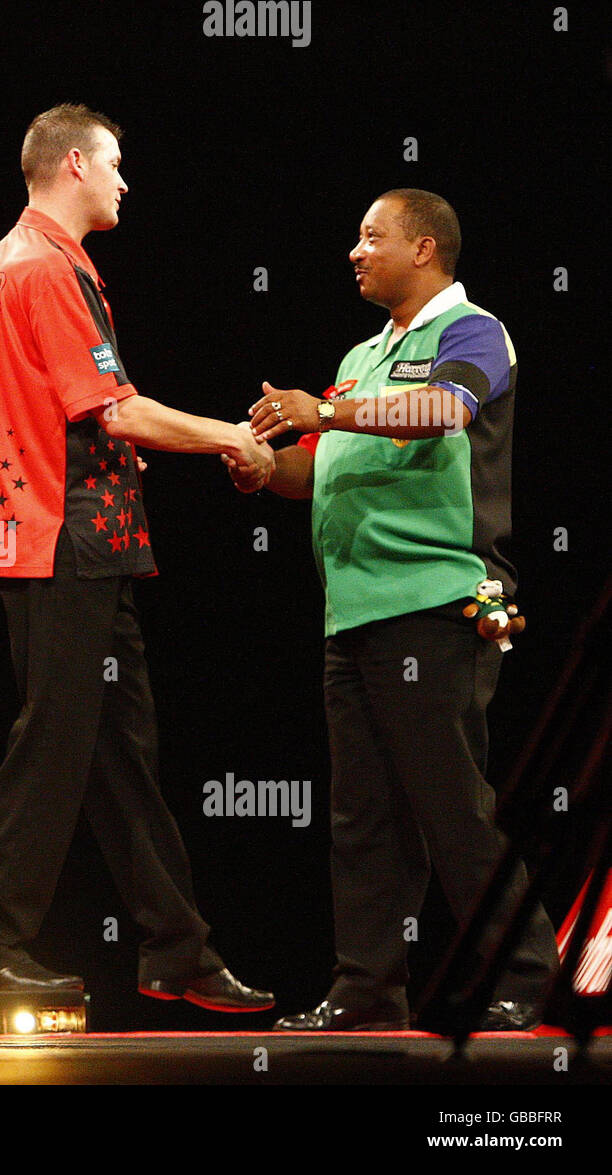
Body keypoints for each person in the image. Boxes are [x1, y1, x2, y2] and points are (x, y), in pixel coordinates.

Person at [0, 103, 274, 1011]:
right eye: (118, 166)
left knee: (119, 751)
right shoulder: (44, 267)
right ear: (76, 165)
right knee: (55, 739)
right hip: (62, 537)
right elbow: (115, 409)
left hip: (54, 534)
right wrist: (232, 438)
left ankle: (175, 947)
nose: (127, 183)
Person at [227, 189, 558, 1031]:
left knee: (452, 805)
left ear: (424, 248)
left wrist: (324, 410)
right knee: (362, 817)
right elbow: (322, 464)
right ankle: (368, 986)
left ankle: (529, 974)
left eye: (371, 236)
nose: (354, 249)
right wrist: (266, 468)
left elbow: (443, 410)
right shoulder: (363, 354)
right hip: (355, 611)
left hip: (437, 601)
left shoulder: (472, 330)